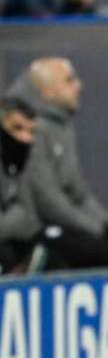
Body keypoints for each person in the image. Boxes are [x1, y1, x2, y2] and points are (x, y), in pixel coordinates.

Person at [7, 58, 108, 270]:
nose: (79, 85)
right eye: (69, 81)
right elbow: (46, 200)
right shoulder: (29, 129)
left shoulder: (63, 126)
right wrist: (97, 230)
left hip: (65, 225)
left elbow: (78, 193)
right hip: (39, 229)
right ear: (46, 91)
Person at [0, 97, 40, 274]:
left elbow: (31, 221)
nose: (25, 138)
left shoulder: (19, 164)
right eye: (17, 128)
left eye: (31, 132)